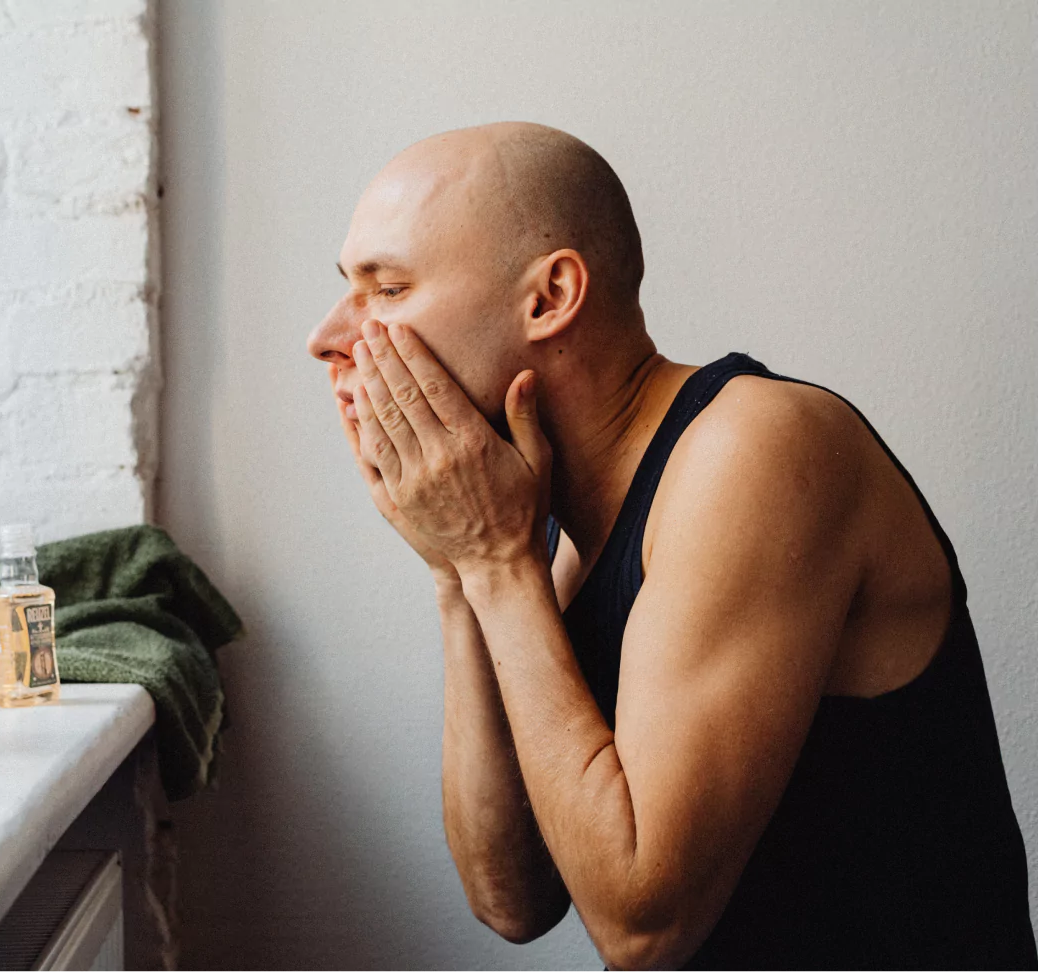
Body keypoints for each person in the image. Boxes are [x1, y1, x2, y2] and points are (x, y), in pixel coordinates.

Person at [306, 122, 1036, 971]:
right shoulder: (561, 531)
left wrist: (496, 567)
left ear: (549, 297)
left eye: (385, 289)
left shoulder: (759, 446)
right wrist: (459, 574)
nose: (327, 336)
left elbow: (641, 926)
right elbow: (512, 898)